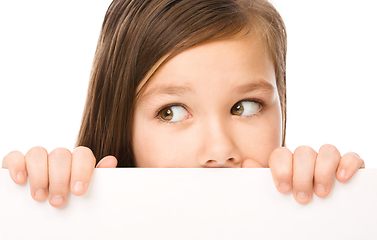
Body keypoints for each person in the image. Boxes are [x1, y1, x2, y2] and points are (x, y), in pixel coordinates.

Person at [2, 0, 365, 208]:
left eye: (246, 106)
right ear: (120, 124)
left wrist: (339, 210)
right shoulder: (67, 208)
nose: (219, 151)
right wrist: (40, 211)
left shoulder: (319, 211)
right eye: (172, 112)